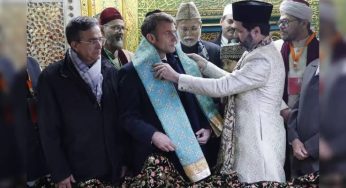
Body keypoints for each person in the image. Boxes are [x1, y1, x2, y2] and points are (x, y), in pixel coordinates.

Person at [154, 0, 286, 183]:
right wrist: (205, 65)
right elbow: (235, 81)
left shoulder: (262, 60)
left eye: (240, 31)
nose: (237, 35)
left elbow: (223, 87)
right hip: (252, 138)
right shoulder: (256, 50)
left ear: (255, 31)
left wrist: (177, 78)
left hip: (260, 142)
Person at [118, 12, 223, 183]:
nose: (175, 37)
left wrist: (207, 127)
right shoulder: (131, 72)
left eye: (175, 31)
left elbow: (198, 103)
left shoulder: (183, 63)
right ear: (151, 38)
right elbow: (128, 117)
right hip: (160, 158)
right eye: (168, 33)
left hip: (196, 152)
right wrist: (153, 135)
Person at [37, 16, 123, 187]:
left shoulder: (110, 70)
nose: (99, 45)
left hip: (112, 164)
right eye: (92, 41)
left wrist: (124, 160)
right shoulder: (52, 77)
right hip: (77, 168)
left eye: (100, 38)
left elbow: (120, 119)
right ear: (74, 44)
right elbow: (48, 130)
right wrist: (60, 171)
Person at [277, 0, 319, 121]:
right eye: (280, 21)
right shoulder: (278, 49)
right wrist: (283, 108)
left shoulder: (322, 51)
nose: (280, 26)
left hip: (311, 124)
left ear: (304, 23)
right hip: (282, 119)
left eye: (286, 22)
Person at [287, 59, 319, 177]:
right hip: (299, 161)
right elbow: (297, 107)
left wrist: (310, 148)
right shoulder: (312, 66)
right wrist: (294, 139)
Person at [176, 2, 222, 68]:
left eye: (193, 28)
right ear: (176, 27)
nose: (189, 33)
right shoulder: (170, 53)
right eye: (184, 29)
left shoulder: (215, 51)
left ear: (200, 26)